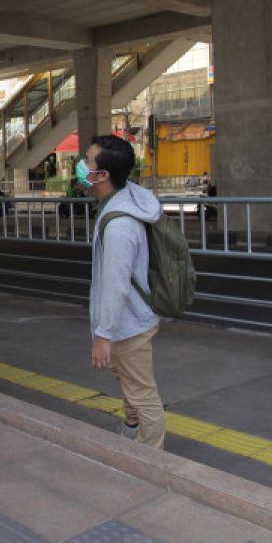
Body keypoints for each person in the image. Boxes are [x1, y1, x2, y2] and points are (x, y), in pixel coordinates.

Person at [80, 134, 165, 448]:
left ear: (103, 176)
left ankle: (153, 457)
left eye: (87, 160)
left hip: (128, 325)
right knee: (130, 378)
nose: (82, 164)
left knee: (143, 392)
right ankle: (131, 427)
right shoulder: (124, 196)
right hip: (131, 320)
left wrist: (103, 335)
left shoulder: (119, 227)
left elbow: (115, 285)